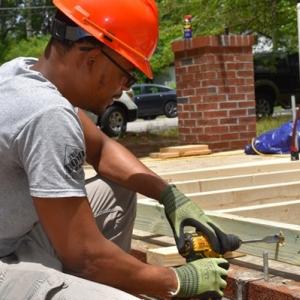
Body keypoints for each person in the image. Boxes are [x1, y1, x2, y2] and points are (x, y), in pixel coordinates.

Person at [0, 0, 233, 298]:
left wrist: (170, 197)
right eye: (127, 75)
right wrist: (175, 281)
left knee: (119, 188)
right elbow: (84, 256)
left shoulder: (20, 71)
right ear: (92, 57)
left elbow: (102, 150)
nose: (125, 89)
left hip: (12, 239)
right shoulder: (47, 114)